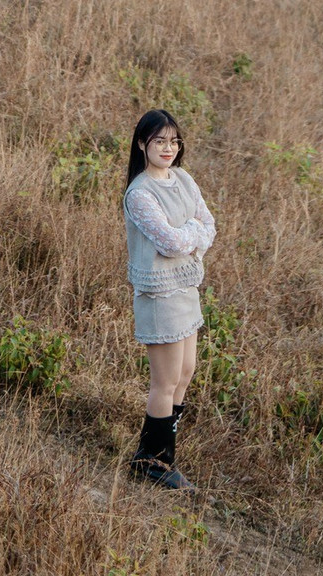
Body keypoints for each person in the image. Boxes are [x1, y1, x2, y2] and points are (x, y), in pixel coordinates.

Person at [122, 107, 216, 490]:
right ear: (143, 143)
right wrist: (191, 232)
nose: (168, 148)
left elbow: (209, 226)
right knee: (164, 382)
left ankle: (156, 455)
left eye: (173, 141)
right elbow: (170, 241)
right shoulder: (139, 193)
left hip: (185, 290)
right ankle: (154, 463)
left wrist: (191, 232)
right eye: (159, 141)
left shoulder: (183, 179)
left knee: (185, 372)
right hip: (159, 295)